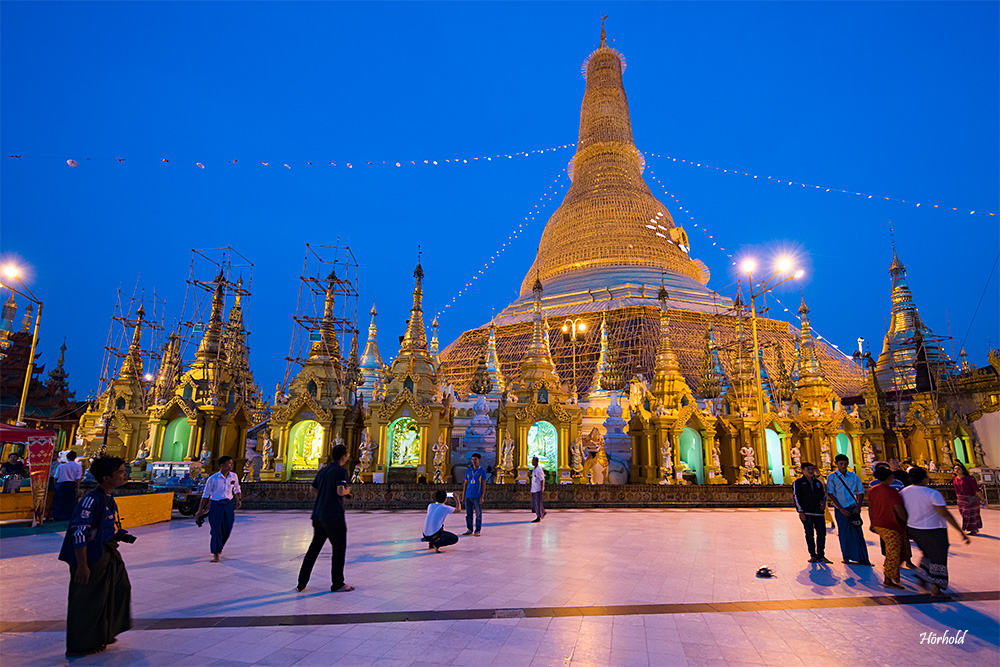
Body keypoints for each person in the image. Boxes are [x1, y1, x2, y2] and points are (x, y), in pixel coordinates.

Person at [57, 456, 131, 658]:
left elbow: (100, 527)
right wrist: (82, 565)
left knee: (116, 591)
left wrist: (117, 534)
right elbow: (78, 532)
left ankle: (102, 634)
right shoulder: (91, 499)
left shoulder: (108, 498)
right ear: (106, 477)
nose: (126, 474)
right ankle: (80, 644)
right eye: (121, 471)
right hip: (89, 557)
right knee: (86, 601)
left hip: (106, 552)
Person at [901, 466, 969, 597]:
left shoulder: (904, 491)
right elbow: (945, 513)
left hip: (914, 529)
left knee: (928, 553)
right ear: (924, 478)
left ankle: (923, 576)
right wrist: (961, 532)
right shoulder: (932, 494)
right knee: (939, 557)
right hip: (933, 530)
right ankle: (936, 589)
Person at [296, 444, 355, 593]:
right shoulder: (341, 471)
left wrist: (325, 495)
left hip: (319, 514)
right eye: (346, 454)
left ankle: (301, 583)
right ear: (343, 456)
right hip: (334, 516)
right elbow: (340, 490)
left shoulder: (323, 470)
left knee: (313, 550)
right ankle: (337, 583)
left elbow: (312, 489)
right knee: (338, 549)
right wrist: (348, 491)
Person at [194, 456, 242, 562]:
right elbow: (206, 495)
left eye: (232, 463)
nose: (231, 465)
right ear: (222, 465)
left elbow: (237, 488)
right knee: (216, 529)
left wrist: (239, 499)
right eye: (229, 464)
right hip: (216, 505)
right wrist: (200, 510)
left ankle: (219, 546)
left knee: (227, 528)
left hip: (228, 504)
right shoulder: (213, 479)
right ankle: (215, 552)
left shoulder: (234, 476)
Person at [826, 454, 871, 565]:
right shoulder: (832, 477)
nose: (844, 466)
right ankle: (846, 556)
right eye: (841, 464)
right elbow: (831, 493)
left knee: (858, 532)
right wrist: (840, 508)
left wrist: (858, 506)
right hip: (840, 508)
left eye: (845, 464)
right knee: (844, 533)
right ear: (836, 464)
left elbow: (860, 491)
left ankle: (863, 558)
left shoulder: (854, 476)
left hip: (852, 506)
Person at [868, 467, 908, 589]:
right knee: (893, 552)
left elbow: (870, 507)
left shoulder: (873, 490)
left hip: (879, 524)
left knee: (895, 551)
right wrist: (907, 520)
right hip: (891, 524)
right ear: (890, 477)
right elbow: (898, 509)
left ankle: (891, 575)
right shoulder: (892, 492)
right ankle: (888, 579)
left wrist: (872, 522)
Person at [793, 463, 831, 563]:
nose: (811, 471)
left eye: (812, 469)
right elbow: (796, 496)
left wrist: (823, 503)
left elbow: (823, 495)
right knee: (809, 534)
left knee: (822, 534)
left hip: (818, 512)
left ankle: (821, 554)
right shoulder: (799, 482)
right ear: (803, 470)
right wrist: (800, 511)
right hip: (807, 512)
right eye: (808, 469)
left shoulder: (817, 482)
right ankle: (813, 555)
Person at [952, 462, 986, 535]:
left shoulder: (969, 478)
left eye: (958, 469)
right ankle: (973, 527)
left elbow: (976, 489)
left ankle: (973, 529)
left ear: (963, 470)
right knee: (964, 514)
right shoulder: (954, 478)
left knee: (970, 514)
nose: (956, 470)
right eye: (955, 468)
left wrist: (982, 498)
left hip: (970, 499)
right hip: (960, 499)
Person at [51, 451, 84, 521]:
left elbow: (55, 477)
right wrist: (78, 488)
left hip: (60, 484)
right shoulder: (78, 466)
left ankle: (55, 516)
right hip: (70, 485)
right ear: (75, 457)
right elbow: (78, 479)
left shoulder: (61, 466)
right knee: (70, 502)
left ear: (67, 457)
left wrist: (55, 485)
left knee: (58, 501)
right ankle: (69, 516)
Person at [462, 452, 487, 537]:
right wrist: (463, 496)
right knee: (469, 514)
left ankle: (477, 530)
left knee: (478, 514)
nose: (473, 461)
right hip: (468, 495)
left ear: (479, 460)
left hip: (477, 496)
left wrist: (482, 496)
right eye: (472, 459)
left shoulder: (482, 471)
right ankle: (469, 529)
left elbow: (483, 484)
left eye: (475, 459)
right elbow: (465, 483)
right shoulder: (469, 470)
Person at [530, 456, 546, 522]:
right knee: (536, 502)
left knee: (538, 503)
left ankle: (539, 516)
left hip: (538, 489)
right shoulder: (535, 469)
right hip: (534, 488)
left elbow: (542, 479)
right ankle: (542, 512)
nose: (532, 462)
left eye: (533, 461)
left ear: (536, 462)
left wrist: (542, 488)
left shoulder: (539, 469)